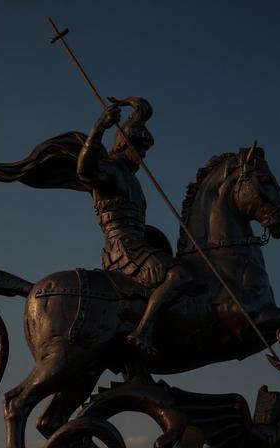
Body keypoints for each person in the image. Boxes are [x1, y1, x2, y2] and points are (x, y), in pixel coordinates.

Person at [77, 97, 194, 357]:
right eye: (139, 148)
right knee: (180, 276)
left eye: (145, 150)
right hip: (124, 249)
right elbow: (86, 171)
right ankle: (144, 330)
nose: (142, 156)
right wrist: (98, 129)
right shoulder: (111, 170)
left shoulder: (130, 178)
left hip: (138, 244)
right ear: (123, 144)